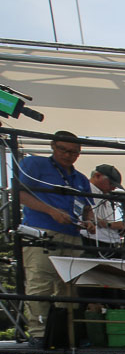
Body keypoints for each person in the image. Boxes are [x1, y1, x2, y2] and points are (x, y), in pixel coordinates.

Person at [16, 131, 97, 343]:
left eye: (74, 152)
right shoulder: (35, 164)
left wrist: (89, 221)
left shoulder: (79, 178)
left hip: (71, 234)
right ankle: (39, 333)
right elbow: (19, 193)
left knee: (69, 287)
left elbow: (88, 207)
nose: (68, 155)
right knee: (40, 282)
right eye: (64, 150)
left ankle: (67, 334)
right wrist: (50, 210)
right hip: (41, 232)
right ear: (53, 146)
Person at [80, 164, 125, 248]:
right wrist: (111, 225)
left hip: (108, 244)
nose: (113, 188)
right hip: (91, 241)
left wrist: (119, 228)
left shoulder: (106, 198)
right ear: (97, 176)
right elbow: (82, 215)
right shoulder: (84, 190)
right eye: (111, 184)